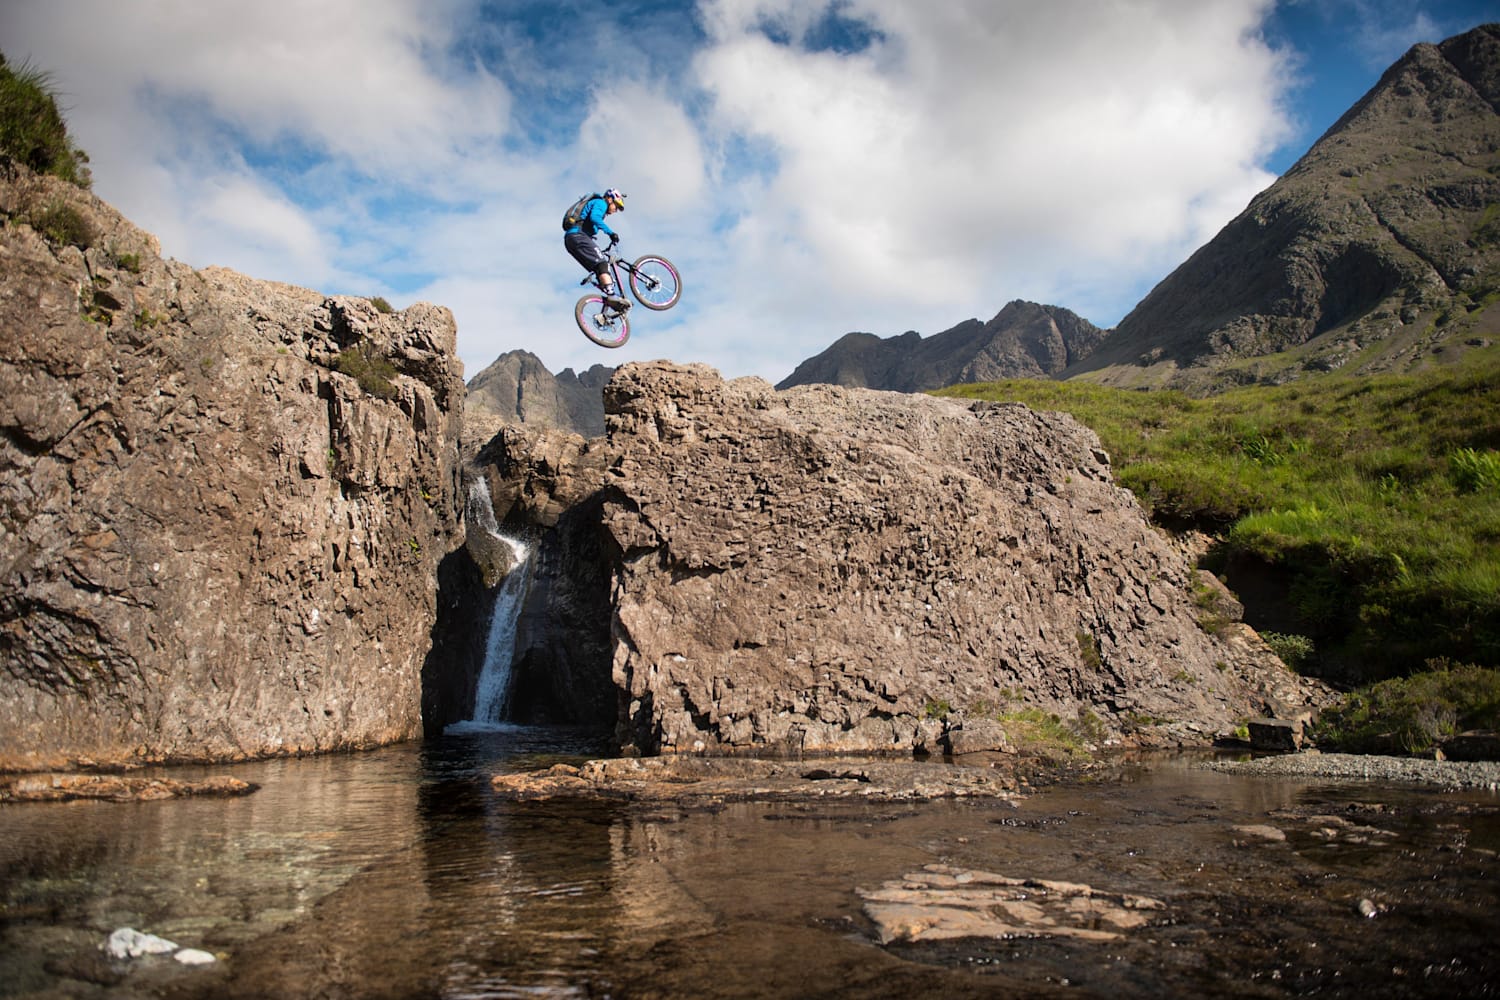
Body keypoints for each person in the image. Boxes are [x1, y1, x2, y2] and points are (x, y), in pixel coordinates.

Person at [564, 188, 629, 309]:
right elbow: (595, 218)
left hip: (571, 241)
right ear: (610, 199)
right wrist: (610, 233)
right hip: (578, 236)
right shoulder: (601, 203)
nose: (616, 210)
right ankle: (612, 296)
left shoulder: (597, 206)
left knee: (599, 269)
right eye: (616, 205)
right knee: (602, 264)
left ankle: (607, 305)